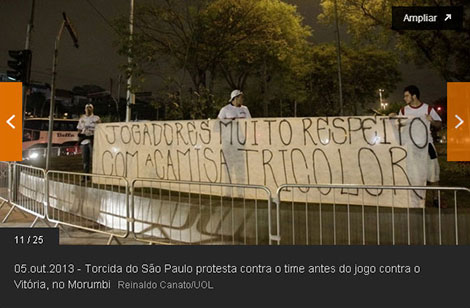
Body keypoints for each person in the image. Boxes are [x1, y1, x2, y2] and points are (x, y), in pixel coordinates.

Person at [399, 85, 443, 207]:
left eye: (406, 95)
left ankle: (436, 198)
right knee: (413, 173)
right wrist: (392, 118)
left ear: (414, 96)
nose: (404, 98)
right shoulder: (403, 111)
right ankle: (415, 198)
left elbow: (439, 124)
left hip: (427, 146)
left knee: (433, 173)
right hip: (411, 148)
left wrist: (432, 121)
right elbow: (398, 126)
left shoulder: (427, 109)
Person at [77, 104, 101, 174]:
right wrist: (79, 137)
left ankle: (96, 173)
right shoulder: (82, 118)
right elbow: (79, 129)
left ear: (92, 109)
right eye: (87, 108)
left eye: (90, 107)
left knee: (95, 158)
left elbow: (100, 129)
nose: (88, 109)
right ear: (85, 109)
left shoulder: (96, 118)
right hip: (84, 141)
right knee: (85, 160)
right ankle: (85, 175)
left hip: (93, 140)